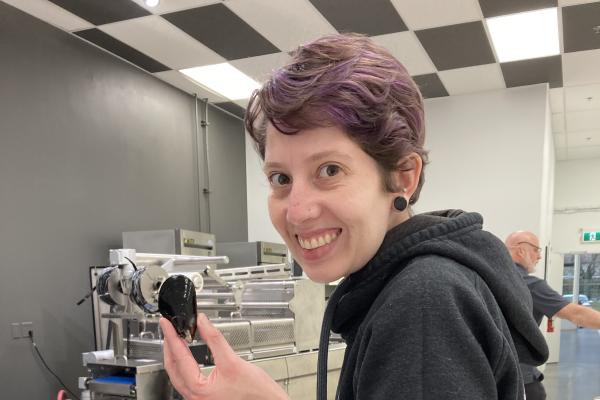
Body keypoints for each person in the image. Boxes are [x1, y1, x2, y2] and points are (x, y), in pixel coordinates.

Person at [159, 33, 548, 400]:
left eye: (329, 170)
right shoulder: (405, 284)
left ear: (402, 177)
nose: (296, 211)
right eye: (281, 178)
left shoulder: (423, 301)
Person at [505, 230, 600, 400]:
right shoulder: (530, 285)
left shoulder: (485, 278)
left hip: (490, 372)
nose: (539, 257)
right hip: (521, 377)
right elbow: (577, 314)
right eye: (536, 250)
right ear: (520, 250)